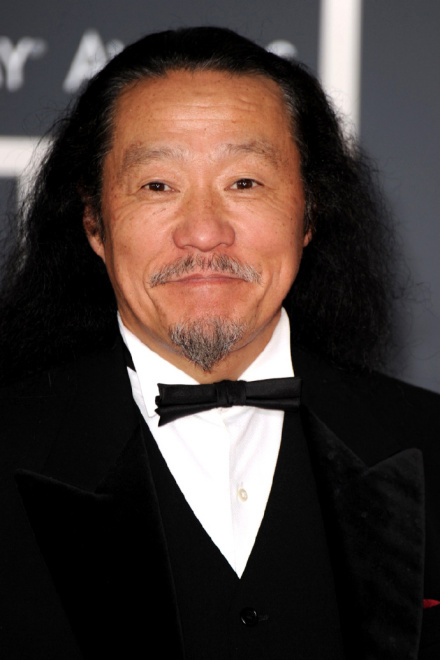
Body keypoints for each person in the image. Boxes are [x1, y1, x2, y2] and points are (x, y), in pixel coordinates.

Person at [0, 26, 439, 660]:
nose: (204, 233)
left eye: (245, 183)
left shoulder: (427, 441)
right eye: (158, 185)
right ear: (94, 221)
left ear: (309, 213)